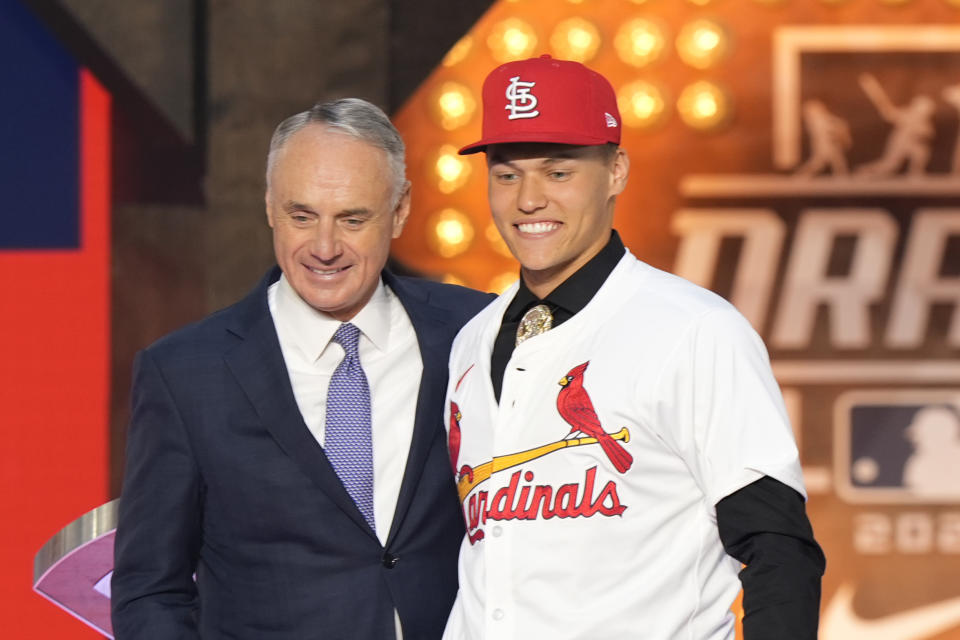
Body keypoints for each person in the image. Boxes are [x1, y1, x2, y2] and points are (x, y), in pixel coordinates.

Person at [442, 56, 825, 639]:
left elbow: (778, 548)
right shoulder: (473, 339)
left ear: (616, 170)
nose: (528, 199)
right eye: (507, 173)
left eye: (558, 171)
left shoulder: (694, 331)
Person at [111, 98, 491, 639]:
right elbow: (151, 589)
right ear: (269, 206)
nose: (325, 247)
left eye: (353, 219)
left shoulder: (475, 331)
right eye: (301, 216)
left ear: (401, 208)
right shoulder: (184, 373)